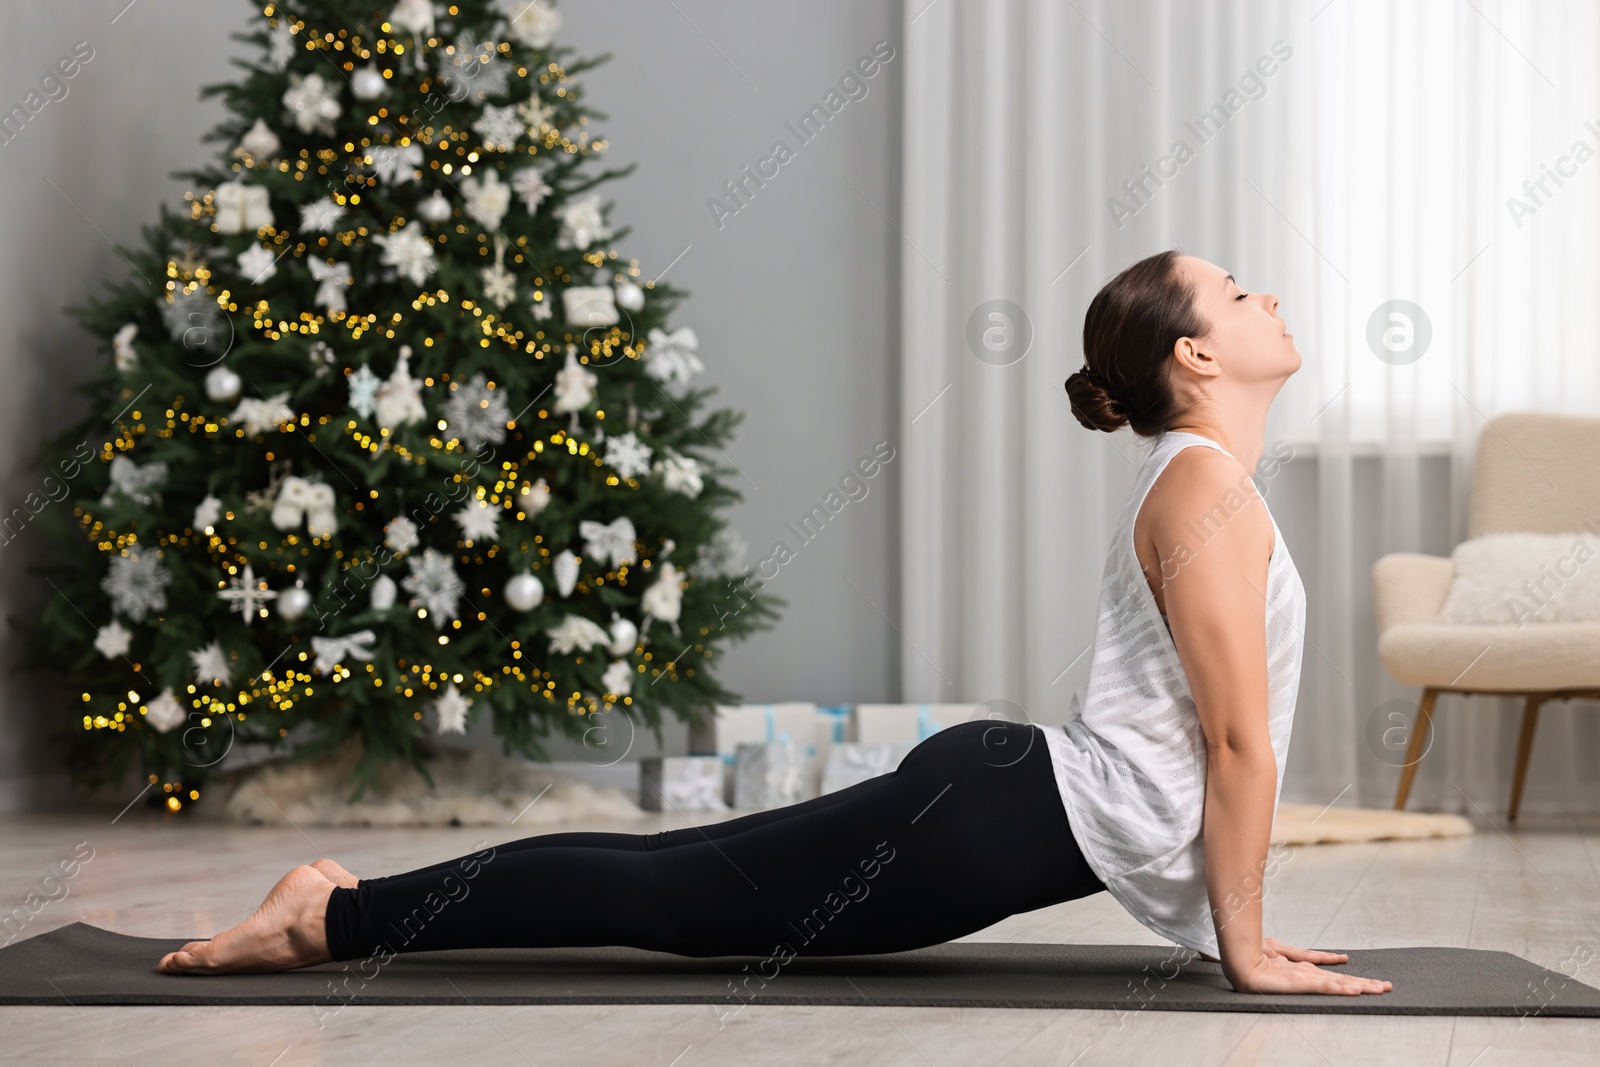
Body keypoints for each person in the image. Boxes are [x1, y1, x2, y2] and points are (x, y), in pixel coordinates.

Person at [158, 249, 1391, 998]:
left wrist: (1248, 930)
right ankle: (329, 920)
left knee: (664, 878)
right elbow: (1237, 746)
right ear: (1196, 351)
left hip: (1009, 800)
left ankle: (333, 902)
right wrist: (1248, 945)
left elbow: (1224, 740)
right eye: (1236, 289)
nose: (1265, 293)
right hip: (998, 817)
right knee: (664, 900)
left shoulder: (1204, 483)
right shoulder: (1203, 488)